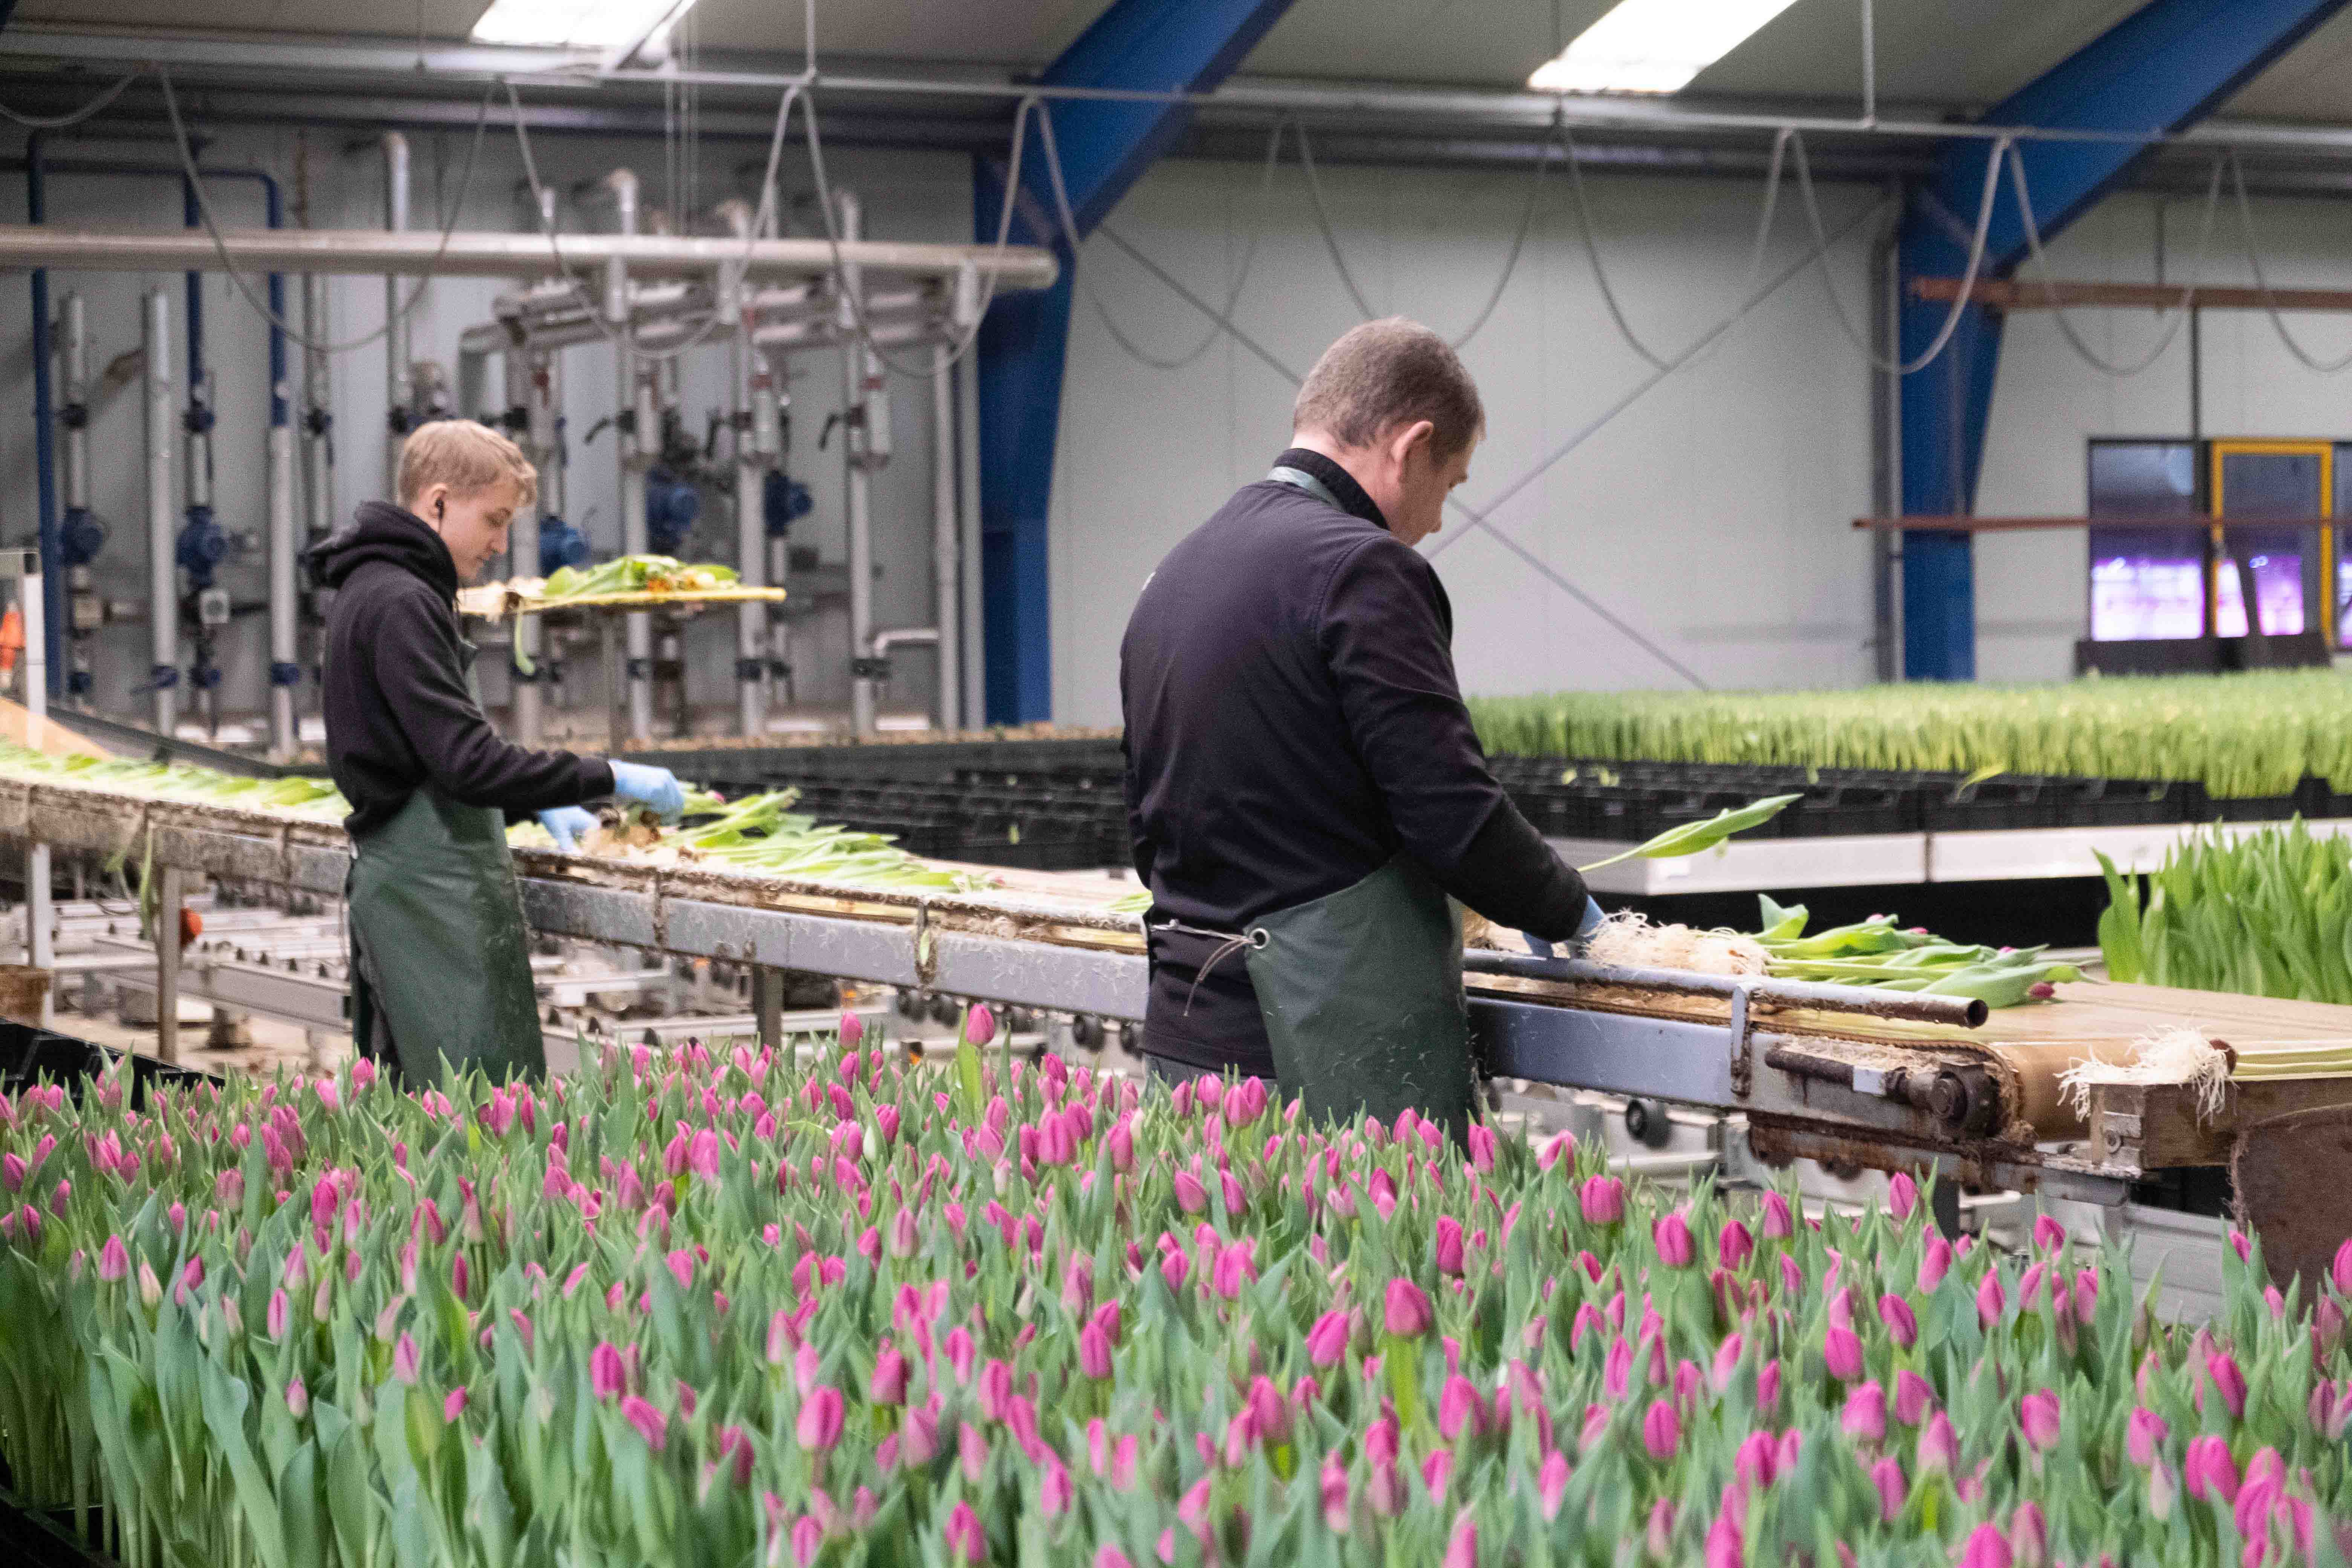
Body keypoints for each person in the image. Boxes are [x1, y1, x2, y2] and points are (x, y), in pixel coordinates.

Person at [1119, 318, 1601, 1137]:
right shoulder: (1365, 569)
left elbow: (1145, 826)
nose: (1438, 521)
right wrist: (1570, 911)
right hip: (1323, 1057)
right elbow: (1449, 813)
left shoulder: (1175, 572)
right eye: (1450, 484)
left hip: (1186, 1040)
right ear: (1412, 447)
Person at [308, 420, 685, 1087]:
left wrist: (534, 805)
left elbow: (421, 754)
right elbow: (467, 762)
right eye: (495, 519)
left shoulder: (383, 587)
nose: (501, 544)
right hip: (431, 901)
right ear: (438, 502)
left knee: (433, 1114)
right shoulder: (401, 601)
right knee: (473, 1115)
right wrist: (609, 775)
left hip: (421, 885)